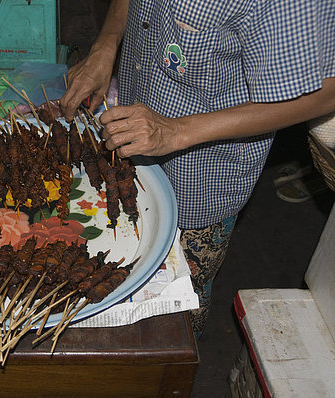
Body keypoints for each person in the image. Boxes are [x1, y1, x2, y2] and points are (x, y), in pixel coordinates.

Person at [60, 0, 335, 337]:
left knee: (175, 315)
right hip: (135, 117)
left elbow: (323, 94)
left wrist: (176, 131)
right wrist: (106, 45)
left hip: (202, 174)